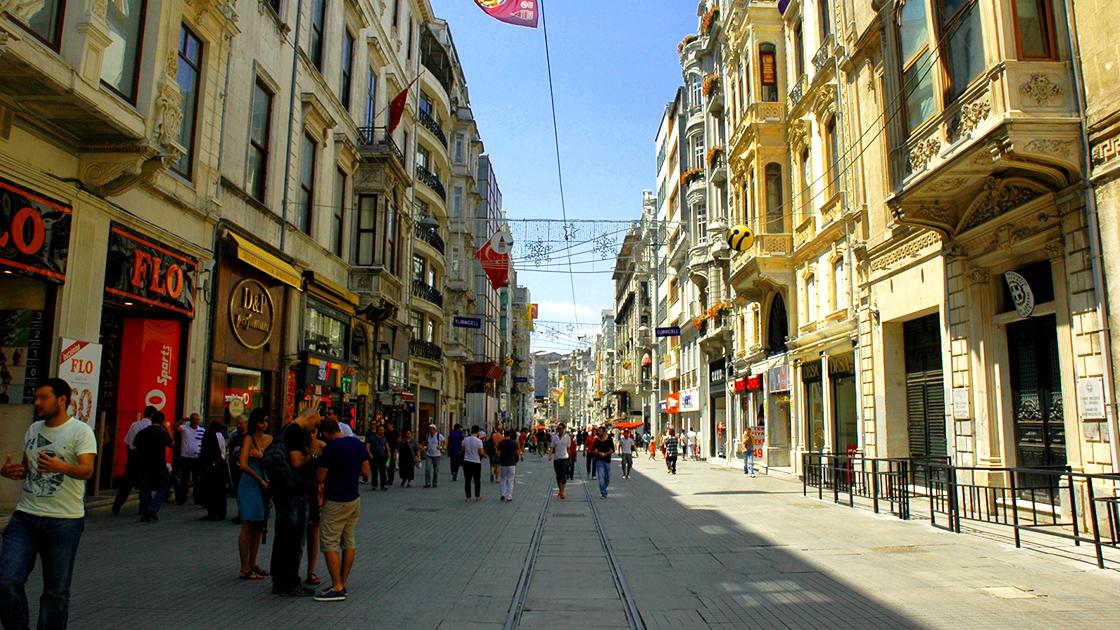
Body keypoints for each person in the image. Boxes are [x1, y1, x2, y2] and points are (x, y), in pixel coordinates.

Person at [0, 379, 96, 630]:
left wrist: (61, 467)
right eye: (37, 397)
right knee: (7, 581)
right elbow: (28, 469)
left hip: (64, 521)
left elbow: (87, 470)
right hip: (25, 517)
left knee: (55, 592)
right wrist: (13, 471)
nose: (38, 403)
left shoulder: (80, 431)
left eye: (44, 398)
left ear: (62, 399)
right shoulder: (33, 429)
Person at [313, 420, 370, 602]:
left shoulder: (331, 448)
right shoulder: (355, 443)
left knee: (329, 542)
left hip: (336, 500)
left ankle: (337, 587)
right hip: (354, 498)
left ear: (326, 433)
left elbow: (321, 477)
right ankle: (341, 582)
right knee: (348, 540)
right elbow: (366, 470)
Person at [269, 406, 322, 597]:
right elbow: (297, 461)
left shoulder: (286, 430)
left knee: (284, 536)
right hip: (293, 491)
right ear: (310, 418)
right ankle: (289, 581)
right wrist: (314, 454)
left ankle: (280, 580)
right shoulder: (295, 432)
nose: (314, 429)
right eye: (315, 424)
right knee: (293, 537)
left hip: (286, 491)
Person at [237, 409, 271, 581]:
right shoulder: (248, 439)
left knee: (259, 526)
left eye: (266, 421)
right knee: (248, 524)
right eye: (261, 421)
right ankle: (245, 567)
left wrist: (261, 456)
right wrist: (260, 479)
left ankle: (253, 562)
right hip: (250, 484)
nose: (264, 425)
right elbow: (242, 464)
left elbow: (273, 461)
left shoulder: (270, 439)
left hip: (265, 484)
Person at [112, 404, 157, 516]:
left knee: (127, 482)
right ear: (153, 415)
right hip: (145, 456)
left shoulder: (134, 425)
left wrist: (130, 455)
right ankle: (144, 507)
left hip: (132, 455)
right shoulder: (151, 427)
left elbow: (127, 442)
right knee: (145, 483)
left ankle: (118, 503)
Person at [133, 411, 172, 522]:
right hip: (159, 463)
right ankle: (153, 507)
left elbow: (135, 446)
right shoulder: (162, 433)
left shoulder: (143, 432)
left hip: (145, 464)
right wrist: (167, 429)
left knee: (145, 488)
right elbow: (172, 444)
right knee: (164, 486)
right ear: (162, 421)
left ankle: (146, 511)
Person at [198, 420, 229, 521]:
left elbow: (206, 452)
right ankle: (221, 512)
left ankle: (212, 512)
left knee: (211, 490)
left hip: (211, 467)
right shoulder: (222, 436)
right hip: (221, 466)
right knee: (221, 491)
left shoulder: (209, 435)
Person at [176, 413, 204, 505]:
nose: (196, 421)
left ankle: (198, 500)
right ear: (191, 420)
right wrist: (182, 420)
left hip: (197, 458)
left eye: (197, 420)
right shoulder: (184, 428)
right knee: (184, 479)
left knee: (197, 480)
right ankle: (181, 499)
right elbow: (174, 427)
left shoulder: (202, 430)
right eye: (194, 419)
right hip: (185, 458)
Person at [228, 414, 249, 523]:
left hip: (246, 466)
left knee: (244, 490)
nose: (239, 425)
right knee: (237, 490)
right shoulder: (234, 435)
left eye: (241, 423)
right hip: (236, 465)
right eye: (237, 423)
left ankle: (244, 513)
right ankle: (241, 512)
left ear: (246, 423)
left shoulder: (250, 435)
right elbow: (230, 448)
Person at [461, 425, 485, 502]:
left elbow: (462, 449)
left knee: (467, 480)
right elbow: (481, 452)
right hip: (476, 462)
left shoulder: (465, 439)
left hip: (467, 461)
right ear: (478, 432)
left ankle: (468, 497)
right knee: (477, 480)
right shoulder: (479, 441)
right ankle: (477, 496)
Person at [549, 423, 572, 499]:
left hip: (565, 458)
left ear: (564, 429)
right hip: (557, 458)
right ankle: (560, 490)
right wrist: (550, 455)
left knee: (563, 475)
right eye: (559, 428)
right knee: (558, 476)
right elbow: (552, 447)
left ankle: (562, 492)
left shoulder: (567, 437)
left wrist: (570, 458)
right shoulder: (554, 437)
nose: (560, 429)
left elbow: (568, 448)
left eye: (562, 428)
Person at [364, 423, 390, 491]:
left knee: (383, 471)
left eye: (383, 430)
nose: (382, 431)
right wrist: (369, 453)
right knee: (374, 471)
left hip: (382, 456)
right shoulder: (372, 437)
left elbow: (386, 444)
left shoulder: (384, 437)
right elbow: (367, 445)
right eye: (380, 430)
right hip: (374, 456)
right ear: (377, 430)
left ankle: (383, 485)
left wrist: (389, 451)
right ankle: (374, 485)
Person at [591, 427, 615, 498]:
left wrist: (606, 453)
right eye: (598, 431)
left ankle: (604, 487)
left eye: (600, 431)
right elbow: (593, 449)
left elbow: (612, 450)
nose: (599, 432)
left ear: (604, 432)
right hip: (599, 460)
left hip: (607, 460)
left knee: (607, 478)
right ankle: (603, 493)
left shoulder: (609, 439)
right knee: (601, 477)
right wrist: (597, 452)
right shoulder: (596, 440)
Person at [497, 430, 519, 502]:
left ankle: (502, 495)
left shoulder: (501, 443)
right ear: (510, 435)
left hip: (503, 463)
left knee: (502, 479)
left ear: (504, 435)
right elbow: (517, 452)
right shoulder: (513, 442)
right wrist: (516, 459)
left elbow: (498, 453)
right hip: (511, 463)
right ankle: (509, 496)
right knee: (510, 480)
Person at [421, 424, 445, 489]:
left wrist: (441, 447)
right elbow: (426, 443)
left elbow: (444, 441)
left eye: (431, 429)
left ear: (434, 429)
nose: (430, 430)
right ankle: (427, 483)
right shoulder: (428, 436)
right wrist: (424, 448)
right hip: (429, 454)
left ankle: (435, 483)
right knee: (427, 469)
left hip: (437, 455)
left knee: (436, 470)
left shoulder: (439, 436)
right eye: (429, 428)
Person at [384, 421, 400, 486]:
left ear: (392, 425)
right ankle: (388, 478)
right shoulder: (386, 433)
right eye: (388, 425)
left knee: (392, 465)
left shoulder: (395, 433)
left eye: (389, 425)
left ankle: (391, 479)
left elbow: (397, 442)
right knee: (387, 464)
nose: (388, 426)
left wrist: (396, 451)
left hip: (393, 450)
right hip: (387, 450)